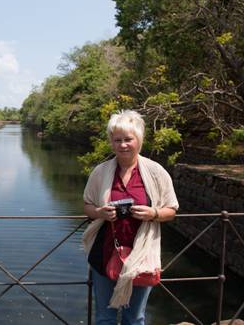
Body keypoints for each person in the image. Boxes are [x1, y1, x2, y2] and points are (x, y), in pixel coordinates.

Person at [82, 110, 179, 325]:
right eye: (117, 140)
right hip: (104, 253)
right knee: (104, 318)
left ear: (139, 140)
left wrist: (153, 213)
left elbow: (171, 210)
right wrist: (100, 212)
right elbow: (87, 205)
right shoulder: (101, 172)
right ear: (111, 142)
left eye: (128, 139)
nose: (123, 145)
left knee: (135, 318)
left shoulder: (156, 172)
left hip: (141, 255)